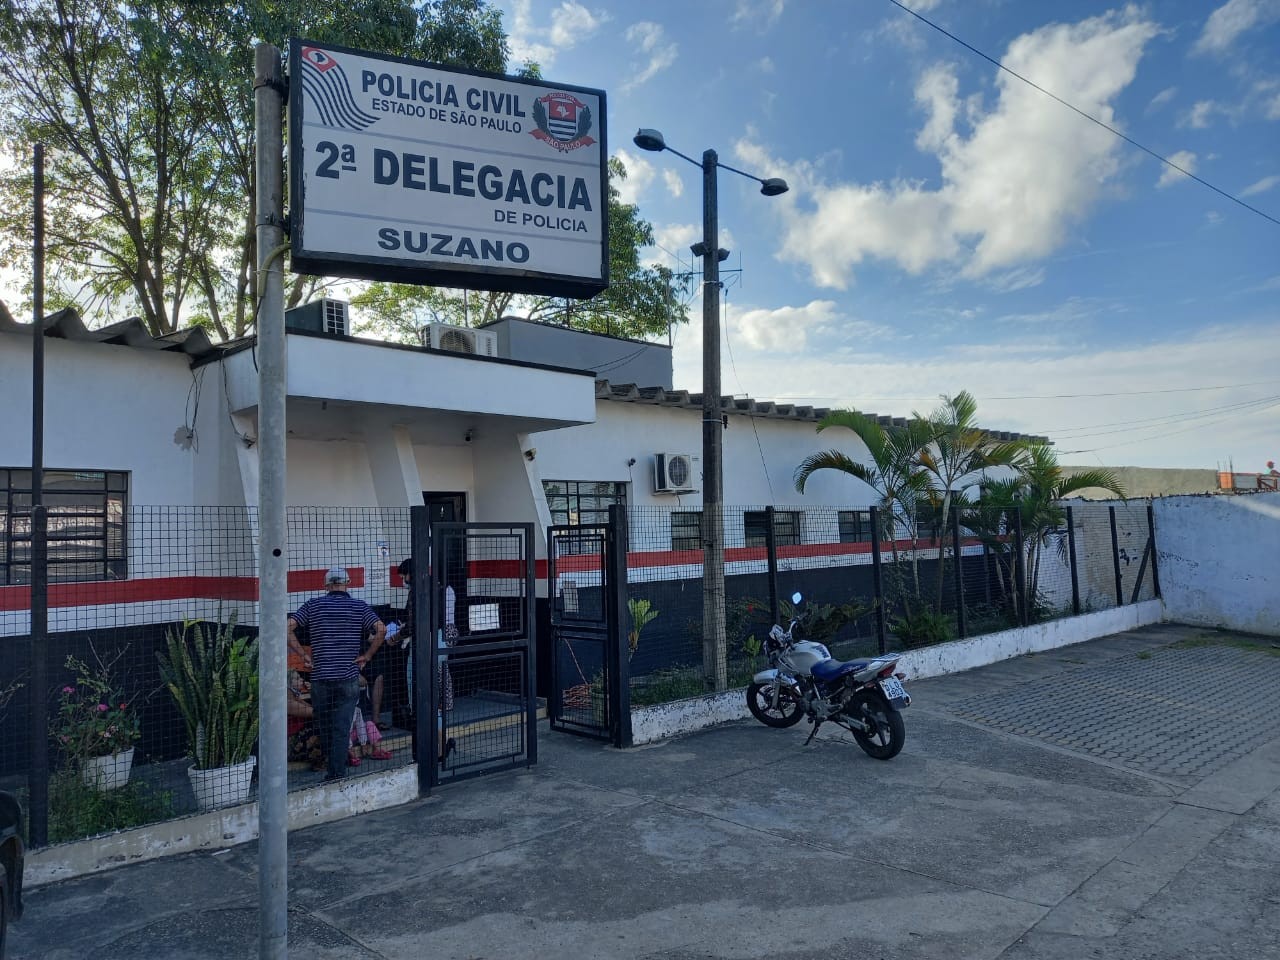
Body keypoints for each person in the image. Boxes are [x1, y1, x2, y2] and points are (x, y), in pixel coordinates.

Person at [288, 565, 385, 781]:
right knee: (342, 727)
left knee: (325, 726)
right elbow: (381, 629)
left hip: (321, 678)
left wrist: (302, 655)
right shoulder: (359, 606)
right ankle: (337, 774)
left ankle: (332, 768)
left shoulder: (313, 605)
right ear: (347, 584)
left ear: (326, 585)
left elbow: (287, 627)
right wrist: (367, 656)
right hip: (348, 677)